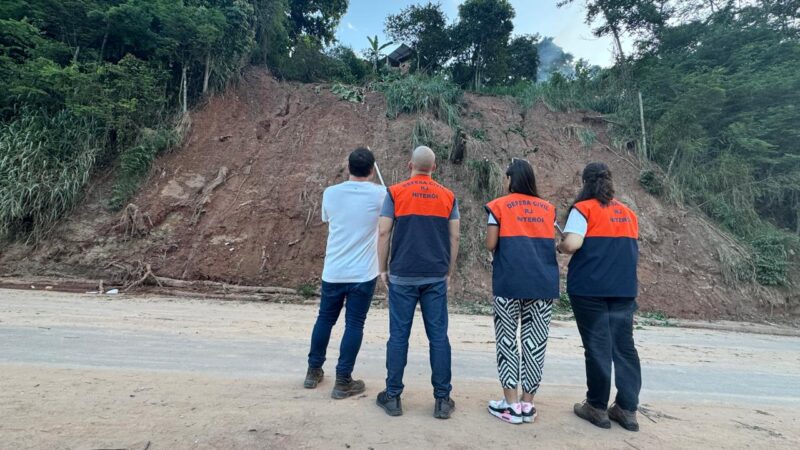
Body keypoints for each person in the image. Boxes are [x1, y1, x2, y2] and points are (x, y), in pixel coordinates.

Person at [375, 146, 460, 419]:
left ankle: (393, 396)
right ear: (434, 168)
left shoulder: (396, 192)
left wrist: (382, 269)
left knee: (399, 335)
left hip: (402, 275)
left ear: (409, 164)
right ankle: (442, 400)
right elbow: (454, 238)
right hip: (435, 275)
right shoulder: (448, 196)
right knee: (438, 337)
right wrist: (449, 272)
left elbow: (384, 231)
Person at [557, 162, 642, 432]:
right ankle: (627, 410)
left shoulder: (583, 209)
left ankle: (596, 406)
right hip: (623, 289)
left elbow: (572, 244)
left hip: (590, 288)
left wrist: (560, 245)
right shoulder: (628, 213)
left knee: (597, 348)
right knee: (624, 349)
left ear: (586, 183)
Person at [304, 148, 387, 399]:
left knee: (325, 319)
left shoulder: (331, 193)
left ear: (347, 167)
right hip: (363, 273)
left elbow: (329, 218)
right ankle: (342, 380)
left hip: (334, 271)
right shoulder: (382, 194)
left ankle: (313, 371)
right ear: (372, 170)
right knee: (354, 324)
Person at [484, 158, 559, 425]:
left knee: (507, 341)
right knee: (535, 342)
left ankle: (510, 404)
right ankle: (528, 404)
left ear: (510, 180)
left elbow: (491, 244)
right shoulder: (548, 209)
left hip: (509, 283)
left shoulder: (499, 206)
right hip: (542, 283)